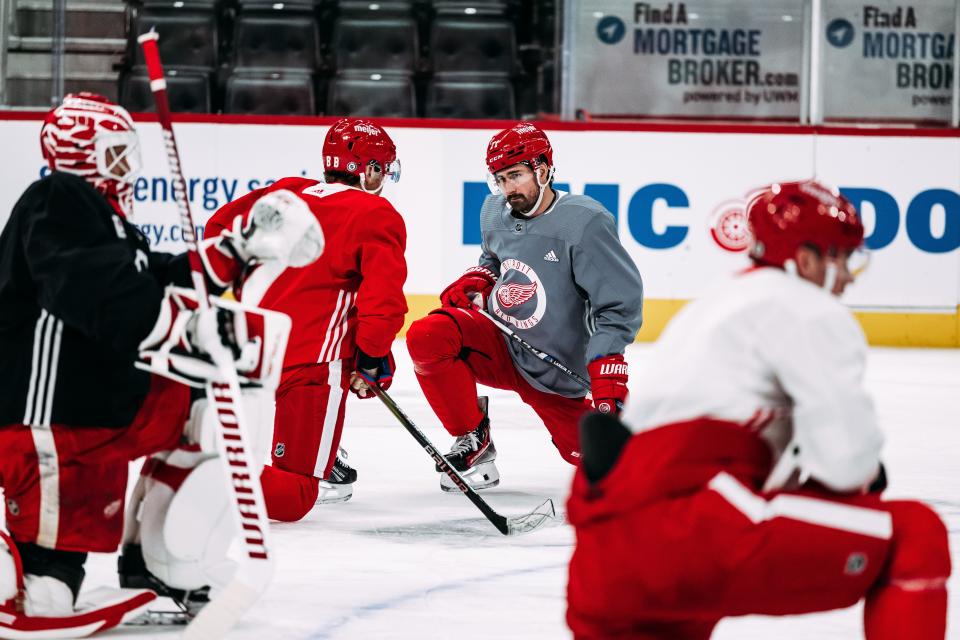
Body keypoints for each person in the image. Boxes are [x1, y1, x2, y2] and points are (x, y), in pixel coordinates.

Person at [566, 180, 951, 639]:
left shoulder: (714, 305)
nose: (849, 276)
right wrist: (865, 474)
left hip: (604, 559)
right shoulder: (806, 308)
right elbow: (847, 465)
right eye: (843, 258)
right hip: (687, 533)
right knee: (913, 533)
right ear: (807, 260)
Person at [0, 93, 319, 636]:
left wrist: (239, 249)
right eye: (116, 154)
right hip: (49, 414)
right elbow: (96, 290)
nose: (129, 167)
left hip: (91, 403)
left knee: (202, 409)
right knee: (49, 590)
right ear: (83, 155)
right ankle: (39, 578)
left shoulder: (101, 219)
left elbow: (153, 277)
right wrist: (186, 324)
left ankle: (167, 561)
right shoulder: (59, 198)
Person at [405, 122, 643, 492]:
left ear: (543, 169)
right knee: (428, 335)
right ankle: (474, 441)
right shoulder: (493, 211)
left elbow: (617, 304)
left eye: (515, 176)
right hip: (500, 342)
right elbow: (492, 259)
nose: (507, 189)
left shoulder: (584, 222)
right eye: (499, 179)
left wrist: (607, 366)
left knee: (612, 468)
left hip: (554, 371)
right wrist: (479, 277)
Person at [202, 117, 408, 520]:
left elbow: (217, 230)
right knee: (296, 494)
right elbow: (383, 302)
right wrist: (370, 359)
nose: (382, 179)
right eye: (381, 169)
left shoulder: (285, 191)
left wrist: (250, 284)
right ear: (368, 170)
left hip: (248, 355)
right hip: (309, 370)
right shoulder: (375, 212)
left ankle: (314, 451)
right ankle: (203, 477)